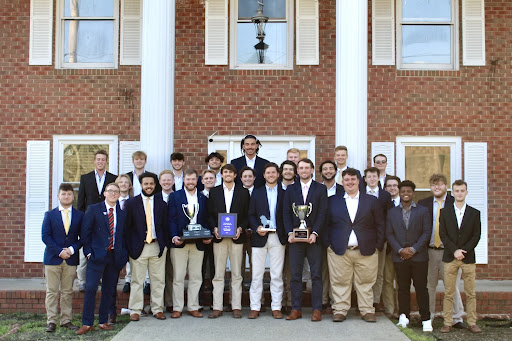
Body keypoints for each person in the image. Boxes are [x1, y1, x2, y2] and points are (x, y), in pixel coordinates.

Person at [325, 168, 384, 323]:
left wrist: (377, 245)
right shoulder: (333, 201)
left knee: (365, 283)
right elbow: (326, 225)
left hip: (366, 251)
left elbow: (380, 225)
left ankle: (366, 310)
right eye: (346, 180)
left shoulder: (371, 201)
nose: (350, 182)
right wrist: (329, 244)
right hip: (339, 250)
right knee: (339, 282)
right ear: (342, 182)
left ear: (359, 181)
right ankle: (340, 310)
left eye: (353, 179)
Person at [76, 183, 128, 335]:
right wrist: (88, 253)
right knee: (91, 288)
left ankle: (103, 321)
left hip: (114, 257)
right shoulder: (94, 209)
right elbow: (85, 233)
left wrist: (122, 255)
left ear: (119, 195)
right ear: (105, 193)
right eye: (110, 191)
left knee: (109, 290)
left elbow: (123, 236)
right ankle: (87, 323)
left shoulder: (122, 213)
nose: (113, 194)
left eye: (116, 192)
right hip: (96, 256)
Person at [418, 174, 465, 327]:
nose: (436, 187)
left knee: (452, 286)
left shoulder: (454, 202)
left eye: (440, 184)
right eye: (433, 185)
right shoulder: (423, 203)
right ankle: (428, 317)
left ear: (446, 186)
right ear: (430, 187)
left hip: (449, 251)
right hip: (429, 251)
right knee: (429, 285)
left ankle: (457, 318)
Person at [283, 158, 327, 322]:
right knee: (295, 275)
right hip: (295, 240)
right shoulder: (290, 189)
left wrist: (315, 233)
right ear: (297, 171)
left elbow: (323, 212)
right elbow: (286, 213)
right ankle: (296, 309)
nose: (303, 170)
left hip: (314, 239)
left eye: (306, 168)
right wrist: (289, 233)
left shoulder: (320, 189)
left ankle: (317, 309)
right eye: (300, 168)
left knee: (316, 275)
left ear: (312, 170)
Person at [386, 180, 432, 332]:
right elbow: (389, 233)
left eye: (409, 191)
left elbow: (426, 232)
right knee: (403, 288)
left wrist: (413, 249)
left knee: (421, 288)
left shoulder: (423, 211)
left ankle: (425, 319)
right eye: (403, 191)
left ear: (413, 193)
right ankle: (403, 317)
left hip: (419, 257)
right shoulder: (392, 212)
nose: (406, 194)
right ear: (399, 193)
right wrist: (400, 250)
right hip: (400, 257)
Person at [124, 172, 170, 321]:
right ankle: (135, 310)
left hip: (157, 246)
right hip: (139, 247)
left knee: (158, 279)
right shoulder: (131, 203)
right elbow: (127, 228)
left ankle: (157, 308)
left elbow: (165, 226)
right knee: (137, 280)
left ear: (155, 185)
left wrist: (164, 246)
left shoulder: (162, 204)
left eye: (151, 184)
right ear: (141, 185)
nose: (148, 186)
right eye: (145, 184)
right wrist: (130, 246)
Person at [207, 164, 250, 318]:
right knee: (218, 274)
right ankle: (217, 307)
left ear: (235, 175)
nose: (227, 175)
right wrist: (214, 228)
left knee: (237, 273)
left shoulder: (243, 192)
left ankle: (236, 306)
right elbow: (210, 214)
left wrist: (240, 228)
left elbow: (247, 214)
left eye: (230, 172)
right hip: (219, 238)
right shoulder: (214, 192)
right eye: (225, 172)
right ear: (222, 175)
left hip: (236, 238)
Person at [439, 180, 482, 334]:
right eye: (456, 191)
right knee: (449, 292)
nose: (459, 193)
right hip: (450, 257)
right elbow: (443, 234)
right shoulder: (445, 212)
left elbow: (476, 235)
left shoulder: (474, 213)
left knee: (470, 293)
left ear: (466, 192)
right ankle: (448, 322)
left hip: (468, 258)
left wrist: (463, 250)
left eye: (462, 190)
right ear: (452, 192)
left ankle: (471, 322)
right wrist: (454, 250)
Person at [169, 169, 212, 318]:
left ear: (197, 181)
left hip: (198, 243)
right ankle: (178, 308)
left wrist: (207, 235)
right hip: (180, 242)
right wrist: (174, 235)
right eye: (188, 180)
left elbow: (206, 220)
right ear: (183, 181)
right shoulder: (175, 196)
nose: (190, 182)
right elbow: (171, 218)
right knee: (179, 277)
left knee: (196, 276)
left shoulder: (203, 198)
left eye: (193, 179)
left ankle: (193, 306)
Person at [42, 183, 84, 332]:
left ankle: (66, 320)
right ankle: (51, 321)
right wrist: (60, 251)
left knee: (67, 291)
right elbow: (45, 236)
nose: (66, 196)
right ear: (58, 196)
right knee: (52, 291)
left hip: (71, 259)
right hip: (53, 259)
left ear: (73, 196)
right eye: (63, 194)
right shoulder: (50, 215)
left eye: (69, 194)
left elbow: (83, 237)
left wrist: (72, 250)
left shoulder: (79, 215)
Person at [248, 163, 287, 319]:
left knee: (276, 274)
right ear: (263, 175)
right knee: (257, 274)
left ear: (278, 174)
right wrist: (256, 227)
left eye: (273, 172)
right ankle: (255, 307)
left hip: (278, 237)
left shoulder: (285, 193)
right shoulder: (256, 193)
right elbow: (250, 214)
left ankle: (276, 307)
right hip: (260, 237)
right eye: (268, 172)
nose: (271, 175)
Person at [76, 150, 117, 291]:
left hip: (106, 219)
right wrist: (80, 221)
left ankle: (99, 277)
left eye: (103, 159)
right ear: (94, 161)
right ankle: (82, 280)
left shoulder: (113, 178)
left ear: (106, 161)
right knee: (85, 249)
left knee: (102, 248)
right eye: (98, 159)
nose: (100, 161)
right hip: (89, 218)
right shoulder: (85, 178)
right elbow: (81, 201)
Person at [364, 167, 393, 313]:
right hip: (363, 239)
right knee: (363, 272)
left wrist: (383, 240)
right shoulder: (360, 193)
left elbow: (389, 219)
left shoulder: (385, 196)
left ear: (378, 178)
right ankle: (362, 301)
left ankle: (375, 301)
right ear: (365, 179)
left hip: (381, 239)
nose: (372, 179)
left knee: (378, 273)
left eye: (374, 176)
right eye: (369, 176)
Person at [319, 160, 343, 313]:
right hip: (319, 233)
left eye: (330, 168)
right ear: (321, 172)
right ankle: (322, 300)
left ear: (335, 171)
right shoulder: (316, 189)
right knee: (321, 270)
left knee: (337, 271)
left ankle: (337, 301)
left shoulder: (342, 190)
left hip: (338, 234)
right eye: (325, 169)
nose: (328, 171)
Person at [381, 175, 402, 317]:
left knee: (401, 281)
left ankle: (402, 310)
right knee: (387, 280)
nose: (392, 188)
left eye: (395, 185)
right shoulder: (382, 203)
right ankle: (389, 309)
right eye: (389, 186)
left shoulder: (407, 203)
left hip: (403, 248)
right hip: (388, 247)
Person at [278, 160, 297, 313]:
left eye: (291, 169)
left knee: (291, 271)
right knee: (278, 272)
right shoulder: (274, 188)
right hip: (276, 235)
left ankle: (289, 302)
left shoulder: (298, 189)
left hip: (293, 235)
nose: (288, 172)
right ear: (281, 172)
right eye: (286, 169)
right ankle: (278, 302)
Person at [158, 170, 175, 313]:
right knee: (157, 275)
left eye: (169, 180)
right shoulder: (155, 198)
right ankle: (156, 304)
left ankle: (169, 302)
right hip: (158, 242)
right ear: (159, 182)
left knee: (171, 274)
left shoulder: (179, 196)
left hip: (174, 242)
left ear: (173, 181)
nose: (166, 182)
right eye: (164, 180)